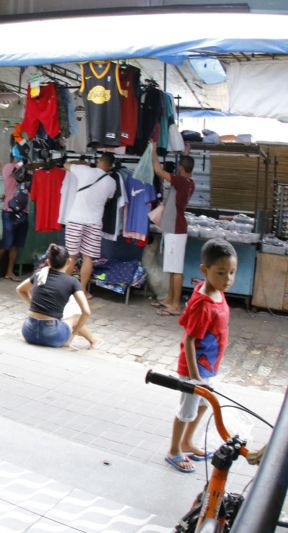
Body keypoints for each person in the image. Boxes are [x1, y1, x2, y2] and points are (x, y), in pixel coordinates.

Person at [165, 239, 237, 474]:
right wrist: (195, 378)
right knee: (186, 410)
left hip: (208, 368)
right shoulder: (203, 304)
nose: (228, 279)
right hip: (194, 370)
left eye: (232, 273)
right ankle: (174, 450)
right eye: (221, 273)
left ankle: (187, 442)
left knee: (206, 405)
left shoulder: (217, 292)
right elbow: (189, 340)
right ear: (204, 270)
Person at [16, 244, 101, 349]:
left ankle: (93, 341)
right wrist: (72, 335)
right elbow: (86, 311)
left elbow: (20, 289)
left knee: (63, 316)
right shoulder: (72, 282)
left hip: (28, 332)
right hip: (52, 336)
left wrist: (32, 304)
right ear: (69, 262)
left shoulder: (39, 275)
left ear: (48, 262)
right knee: (75, 318)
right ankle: (93, 341)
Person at [62, 153, 118, 295]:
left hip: (76, 219)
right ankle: (82, 291)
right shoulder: (112, 182)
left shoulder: (84, 170)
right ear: (111, 166)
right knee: (88, 258)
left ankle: (63, 290)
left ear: (98, 161)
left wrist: (80, 162)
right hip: (94, 222)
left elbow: (65, 165)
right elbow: (108, 199)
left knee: (71, 257)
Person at [151, 141, 195, 316]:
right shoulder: (189, 181)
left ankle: (175, 305)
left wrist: (153, 151)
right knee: (171, 268)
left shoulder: (182, 181)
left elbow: (158, 171)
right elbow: (184, 164)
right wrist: (186, 152)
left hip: (176, 230)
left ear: (181, 169)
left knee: (176, 270)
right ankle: (169, 299)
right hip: (174, 229)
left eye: (178, 167)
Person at [0, 160, 27, 281]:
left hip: (24, 211)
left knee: (16, 245)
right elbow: (18, 170)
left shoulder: (26, 172)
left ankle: (9, 272)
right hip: (10, 211)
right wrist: (23, 162)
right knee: (6, 243)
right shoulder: (9, 167)